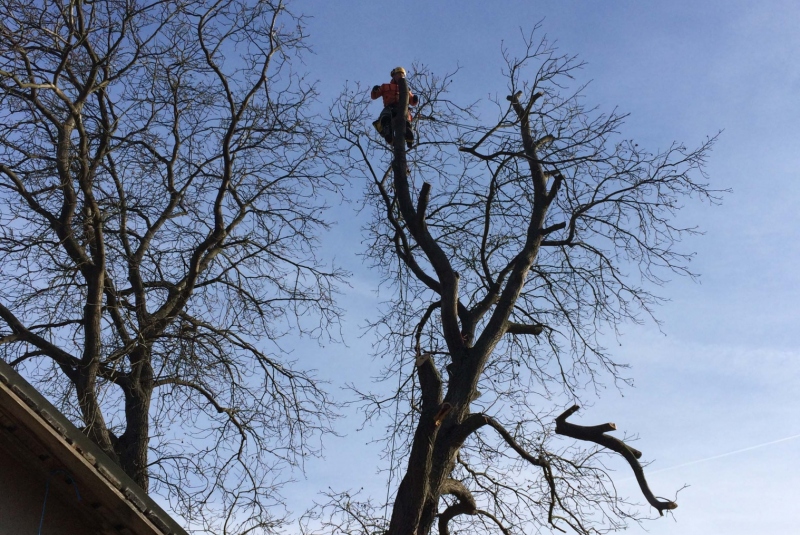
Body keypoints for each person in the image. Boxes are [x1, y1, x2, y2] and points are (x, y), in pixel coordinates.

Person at [371, 66, 419, 149]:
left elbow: (412, 101)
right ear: (394, 75)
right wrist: (375, 90)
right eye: (398, 74)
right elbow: (374, 96)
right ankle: (387, 130)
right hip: (390, 107)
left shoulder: (406, 89)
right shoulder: (386, 86)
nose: (400, 77)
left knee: (405, 119)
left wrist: (415, 99)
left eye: (402, 75)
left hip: (402, 107)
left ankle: (408, 133)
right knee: (385, 116)